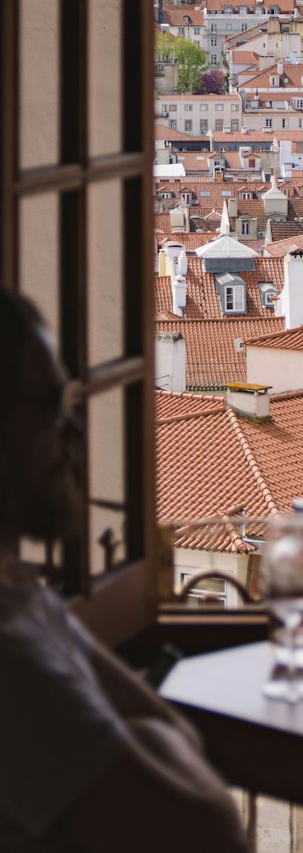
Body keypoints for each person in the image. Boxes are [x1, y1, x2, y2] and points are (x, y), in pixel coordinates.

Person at [0, 288, 249, 853]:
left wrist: (151, 740)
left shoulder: (19, 592)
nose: (78, 436)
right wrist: (148, 738)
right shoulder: (9, 657)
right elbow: (204, 827)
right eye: (48, 412)